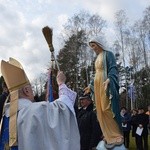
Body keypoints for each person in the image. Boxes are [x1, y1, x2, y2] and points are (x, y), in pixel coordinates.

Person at [0, 58, 80, 150]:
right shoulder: (35, 111)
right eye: (31, 89)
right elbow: (63, 109)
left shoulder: (5, 118)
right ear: (26, 91)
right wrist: (61, 84)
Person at [84, 37, 124, 149]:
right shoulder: (97, 58)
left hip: (105, 83)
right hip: (97, 84)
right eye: (91, 46)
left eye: (93, 45)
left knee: (107, 108)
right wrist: (90, 85)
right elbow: (96, 73)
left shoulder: (108, 54)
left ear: (99, 44)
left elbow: (113, 68)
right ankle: (107, 134)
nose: (92, 48)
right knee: (100, 110)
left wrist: (109, 79)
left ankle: (116, 134)